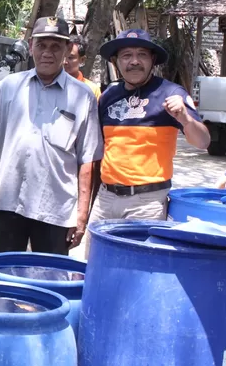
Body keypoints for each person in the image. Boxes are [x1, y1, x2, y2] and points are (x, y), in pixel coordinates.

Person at [0, 16, 104, 256]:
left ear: (68, 50)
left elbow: (87, 161)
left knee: (48, 281)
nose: (47, 53)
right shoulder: (9, 87)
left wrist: (81, 216)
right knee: (0, 279)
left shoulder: (82, 96)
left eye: (56, 46)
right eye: (41, 45)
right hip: (7, 202)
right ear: (30, 47)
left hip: (55, 209)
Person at [89, 29, 210, 225]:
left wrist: (185, 118)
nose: (134, 61)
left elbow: (203, 142)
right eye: (127, 55)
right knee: (94, 255)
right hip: (106, 199)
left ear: (153, 60)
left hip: (147, 202)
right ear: (116, 62)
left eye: (142, 55)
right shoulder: (108, 97)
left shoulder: (170, 93)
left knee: (138, 255)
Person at [64, 34, 101, 100]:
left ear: (82, 60)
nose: (65, 62)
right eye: (62, 57)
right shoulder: (49, 85)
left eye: (70, 58)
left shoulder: (92, 90)